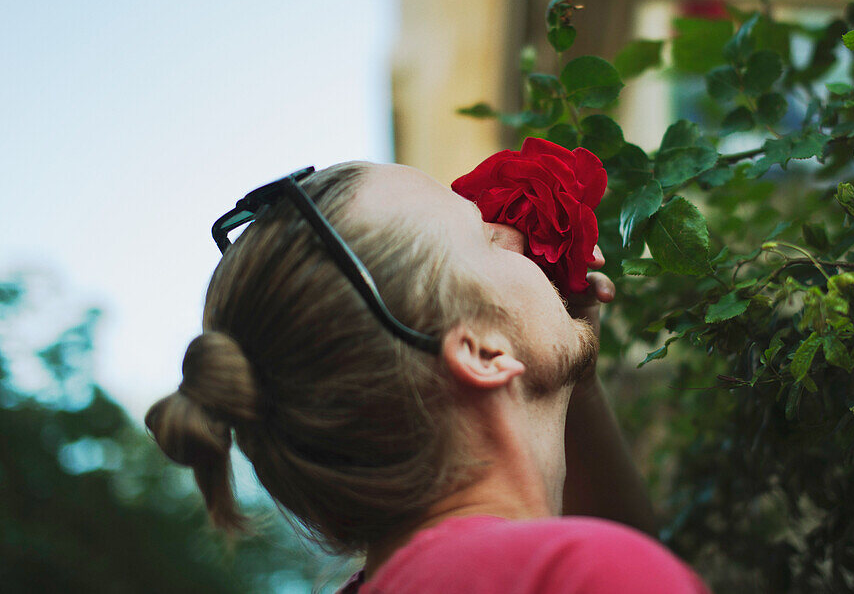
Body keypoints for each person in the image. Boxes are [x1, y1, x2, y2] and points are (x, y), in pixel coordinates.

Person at [146, 161, 709, 593]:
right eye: (486, 233)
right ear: (483, 354)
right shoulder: (585, 575)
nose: (512, 233)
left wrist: (564, 361)